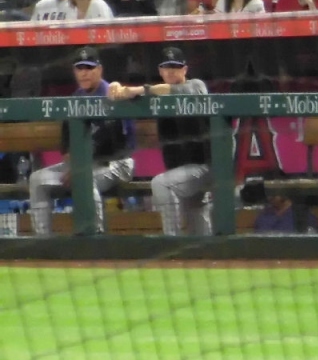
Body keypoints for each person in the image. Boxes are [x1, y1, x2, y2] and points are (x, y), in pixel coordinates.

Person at [29, 47, 135, 236]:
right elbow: (66, 140)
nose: (84, 73)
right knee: (37, 179)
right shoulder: (76, 98)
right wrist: (71, 162)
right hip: (82, 164)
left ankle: (95, 235)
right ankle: (43, 239)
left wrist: (78, 168)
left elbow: (110, 145)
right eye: (80, 68)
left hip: (117, 162)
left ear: (99, 69)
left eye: (89, 68)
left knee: (84, 179)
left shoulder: (112, 94)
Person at [106, 47, 212, 236]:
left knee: (160, 183)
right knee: (199, 229)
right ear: (160, 70)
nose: (170, 71)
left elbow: (170, 90)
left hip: (206, 167)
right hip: (180, 173)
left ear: (185, 70)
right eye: (166, 67)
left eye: (175, 67)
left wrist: (137, 89)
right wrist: (114, 86)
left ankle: (171, 240)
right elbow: (122, 95)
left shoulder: (196, 85)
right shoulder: (155, 95)